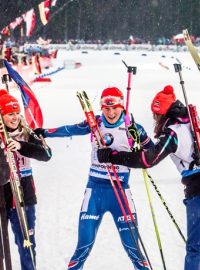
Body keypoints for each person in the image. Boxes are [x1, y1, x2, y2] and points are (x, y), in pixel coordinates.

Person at [34, 87, 154, 270]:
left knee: (134, 249)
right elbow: (71, 130)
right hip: (95, 191)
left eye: (115, 108)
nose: (111, 113)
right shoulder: (95, 123)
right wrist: (46, 132)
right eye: (106, 108)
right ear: (101, 108)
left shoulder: (133, 128)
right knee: (83, 247)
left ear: (122, 106)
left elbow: (151, 154)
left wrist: (137, 148)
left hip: (120, 192)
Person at [97, 85, 200, 270]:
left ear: (161, 113)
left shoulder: (174, 133)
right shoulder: (192, 122)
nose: (154, 119)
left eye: (155, 115)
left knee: (195, 249)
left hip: (198, 191)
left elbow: (147, 159)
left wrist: (113, 156)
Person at [0, 89, 52, 270]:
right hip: (2, 194)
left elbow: (46, 154)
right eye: (9, 114)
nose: (14, 118)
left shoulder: (26, 132)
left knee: (27, 244)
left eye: (16, 113)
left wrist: (21, 146)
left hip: (25, 195)